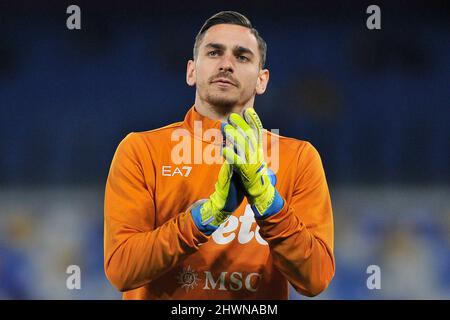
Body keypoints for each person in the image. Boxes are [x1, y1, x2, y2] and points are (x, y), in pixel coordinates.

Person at [104, 11, 334, 299]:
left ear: (262, 80)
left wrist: (269, 205)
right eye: (214, 53)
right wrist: (203, 218)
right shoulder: (141, 151)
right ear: (191, 71)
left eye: (242, 57)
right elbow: (121, 271)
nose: (226, 64)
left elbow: (315, 279)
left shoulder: (299, 158)